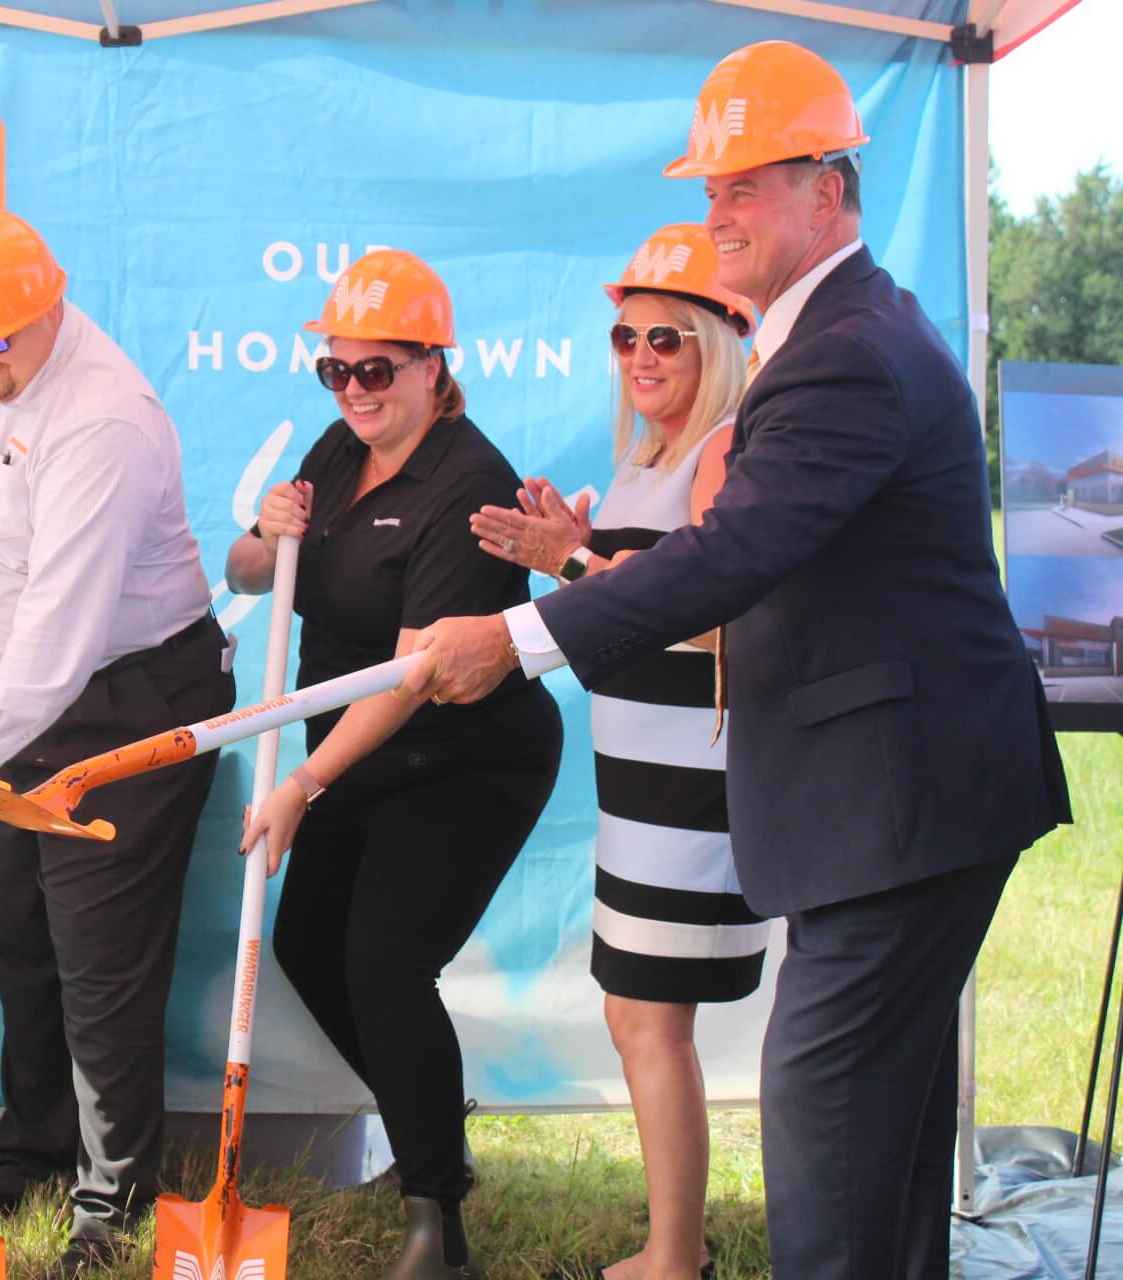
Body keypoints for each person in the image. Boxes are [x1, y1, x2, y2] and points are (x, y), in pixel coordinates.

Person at [403, 41, 1071, 1279]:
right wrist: (572, 568)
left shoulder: (846, 352)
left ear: (829, 189)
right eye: (710, 188)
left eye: (745, 186)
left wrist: (515, 634)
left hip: (901, 805)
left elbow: (727, 557)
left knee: (824, 1136)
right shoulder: (840, 333)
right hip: (902, 801)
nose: (717, 214)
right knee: (886, 1143)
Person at [0, 209, 236, 1277]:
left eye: (1, 339)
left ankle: (111, 1197)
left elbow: (59, 647)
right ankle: (31, 1149)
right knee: (21, 934)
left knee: (100, 958)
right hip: (8, 692)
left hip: (123, 697)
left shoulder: (103, 418)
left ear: (51, 306)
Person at [231, 250, 564, 1280]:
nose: (356, 389)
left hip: (465, 752)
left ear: (433, 366)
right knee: (308, 946)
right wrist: (263, 531)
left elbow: (415, 675)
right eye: (338, 370)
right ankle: (434, 1131)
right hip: (354, 740)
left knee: (382, 958)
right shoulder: (338, 450)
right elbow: (248, 572)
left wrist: (301, 781)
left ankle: (436, 1221)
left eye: (379, 369)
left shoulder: (469, 480)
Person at [471, 224, 760, 1280]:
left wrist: (575, 557)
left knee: (646, 1015)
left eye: (667, 339)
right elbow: (625, 613)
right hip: (644, 783)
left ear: (720, 344)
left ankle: (674, 1255)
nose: (641, 356)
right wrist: (571, 558)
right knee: (640, 1015)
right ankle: (669, 1245)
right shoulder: (646, 458)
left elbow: (718, 615)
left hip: (694, 786)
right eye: (626, 335)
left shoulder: (726, 452)